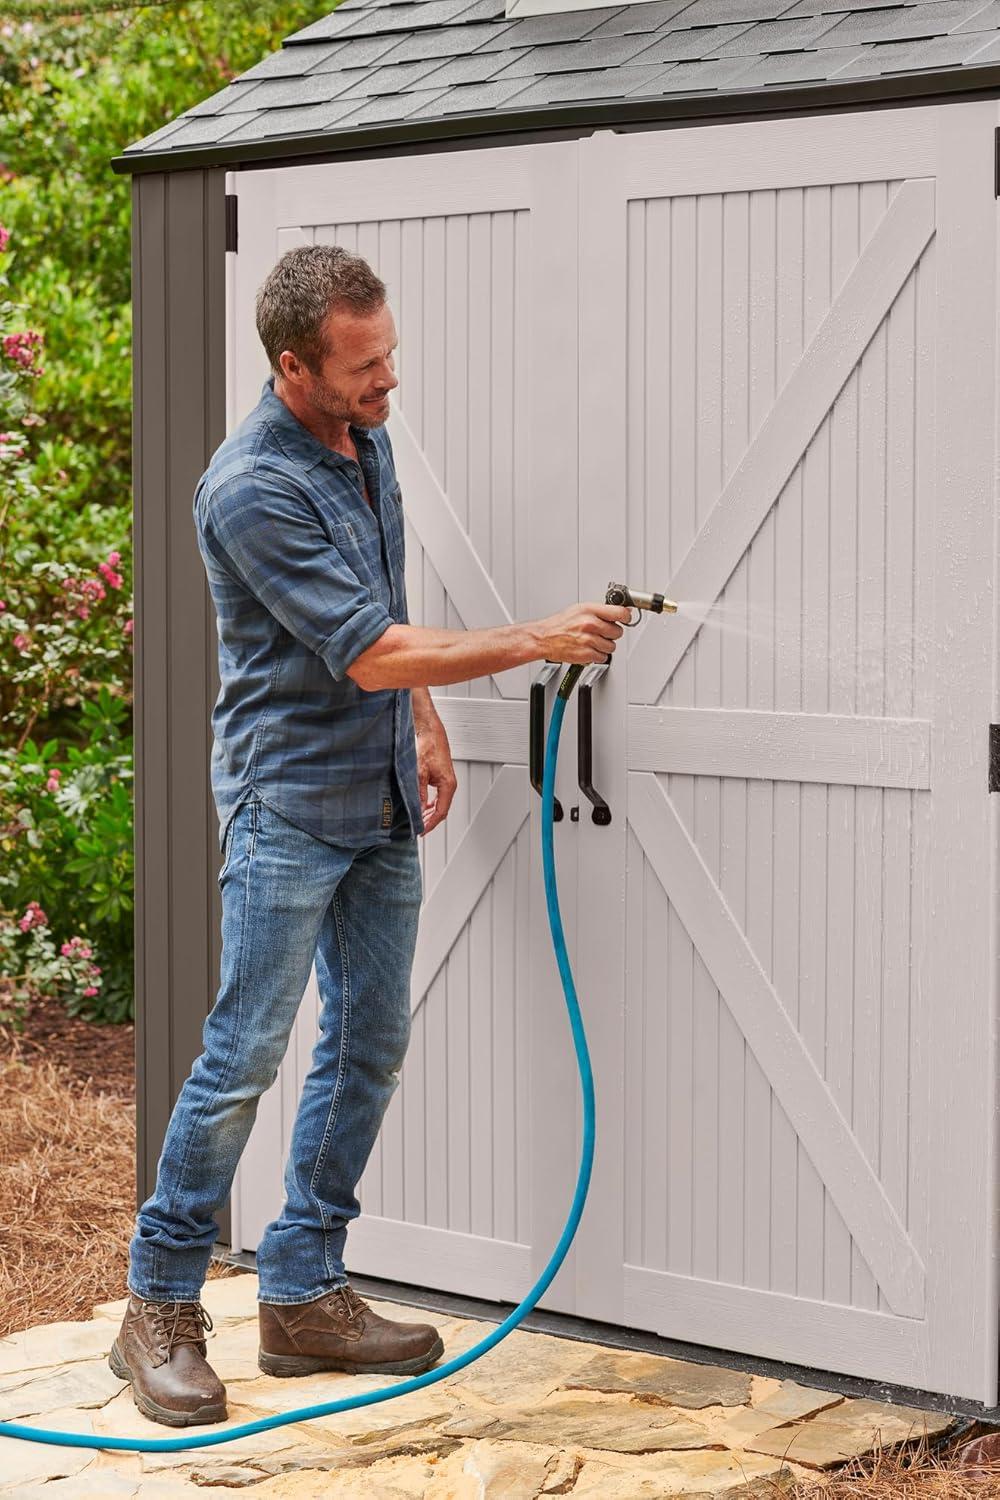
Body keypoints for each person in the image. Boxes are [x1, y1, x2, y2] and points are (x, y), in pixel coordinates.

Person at [110, 243, 633, 1427]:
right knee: (246, 1052)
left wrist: (428, 723)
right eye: (363, 368)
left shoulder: (367, 443)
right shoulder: (249, 486)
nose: (388, 382)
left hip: (380, 791)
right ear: (294, 365)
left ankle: (301, 1291)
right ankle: (159, 1301)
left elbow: (382, 609)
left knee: (369, 1045)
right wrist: (534, 639)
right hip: (288, 800)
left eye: (389, 354)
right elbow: (366, 648)